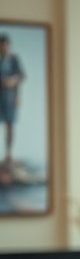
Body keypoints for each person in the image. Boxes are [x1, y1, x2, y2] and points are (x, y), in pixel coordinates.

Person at [0, 33, 26, 170]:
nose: (3, 48)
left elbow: (22, 76)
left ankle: (8, 154)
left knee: (10, 126)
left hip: (10, 98)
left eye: (5, 45)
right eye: (1, 45)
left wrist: (13, 81)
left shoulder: (14, 60)